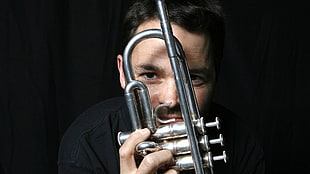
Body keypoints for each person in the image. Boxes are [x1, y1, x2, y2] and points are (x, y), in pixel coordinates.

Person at [58, 0, 265, 173]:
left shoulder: (243, 144)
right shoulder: (86, 145)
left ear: (215, 76)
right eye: (150, 75)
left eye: (193, 78)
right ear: (123, 72)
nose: (171, 99)